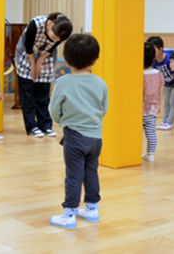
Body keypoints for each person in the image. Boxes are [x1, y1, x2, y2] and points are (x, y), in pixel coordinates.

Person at [48, 34, 108, 230]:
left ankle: (69, 213)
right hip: (96, 136)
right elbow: (104, 109)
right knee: (91, 172)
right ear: (95, 59)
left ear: (66, 58)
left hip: (74, 136)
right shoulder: (100, 83)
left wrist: (60, 121)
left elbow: (54, 110)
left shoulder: (63, 82)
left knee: (73, 175)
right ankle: (92, 209)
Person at [14, 12, 73, 138]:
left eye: (59, 40)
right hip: (26, 54)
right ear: (50, 25)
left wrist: (40, 61)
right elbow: (28, 46)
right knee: (28, 94)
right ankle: (32, 127)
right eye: (55, 37)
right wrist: (33, 63)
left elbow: (51, 48)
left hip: (45, 56)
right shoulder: (35, 24)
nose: (56, 40)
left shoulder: (60, 33)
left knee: (43, 93)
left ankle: (46, 125)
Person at [146, 36, 174, 131]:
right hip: (167, 84)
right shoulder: (154, 62)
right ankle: (164, 121)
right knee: (166, 103)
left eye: (154, 50)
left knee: (173, 103)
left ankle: (169, 122)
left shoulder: (169, 59)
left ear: (161, 49)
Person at [142, 42, 164, 162]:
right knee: (151, 131)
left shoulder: (138, 74)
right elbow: (160, 89)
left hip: (139, 108)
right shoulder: (158, 73)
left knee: (137, 132)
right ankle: (151, 154)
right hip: (153, 108)